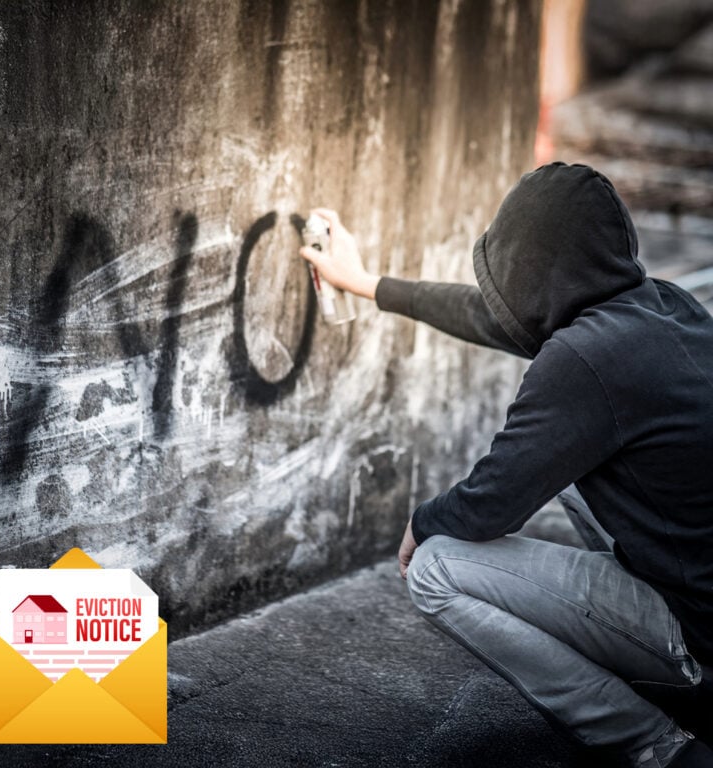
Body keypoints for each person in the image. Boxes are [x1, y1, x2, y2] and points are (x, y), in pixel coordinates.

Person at [299, 162, 713, 768]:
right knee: (577, 480)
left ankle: (659, 748)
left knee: (438, 566)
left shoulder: (584, 359)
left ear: (533, 266)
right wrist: (367, 284)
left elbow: (491, 502)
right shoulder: (663, 306)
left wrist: (422, 522)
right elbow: (486, 315)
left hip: (698, 633)